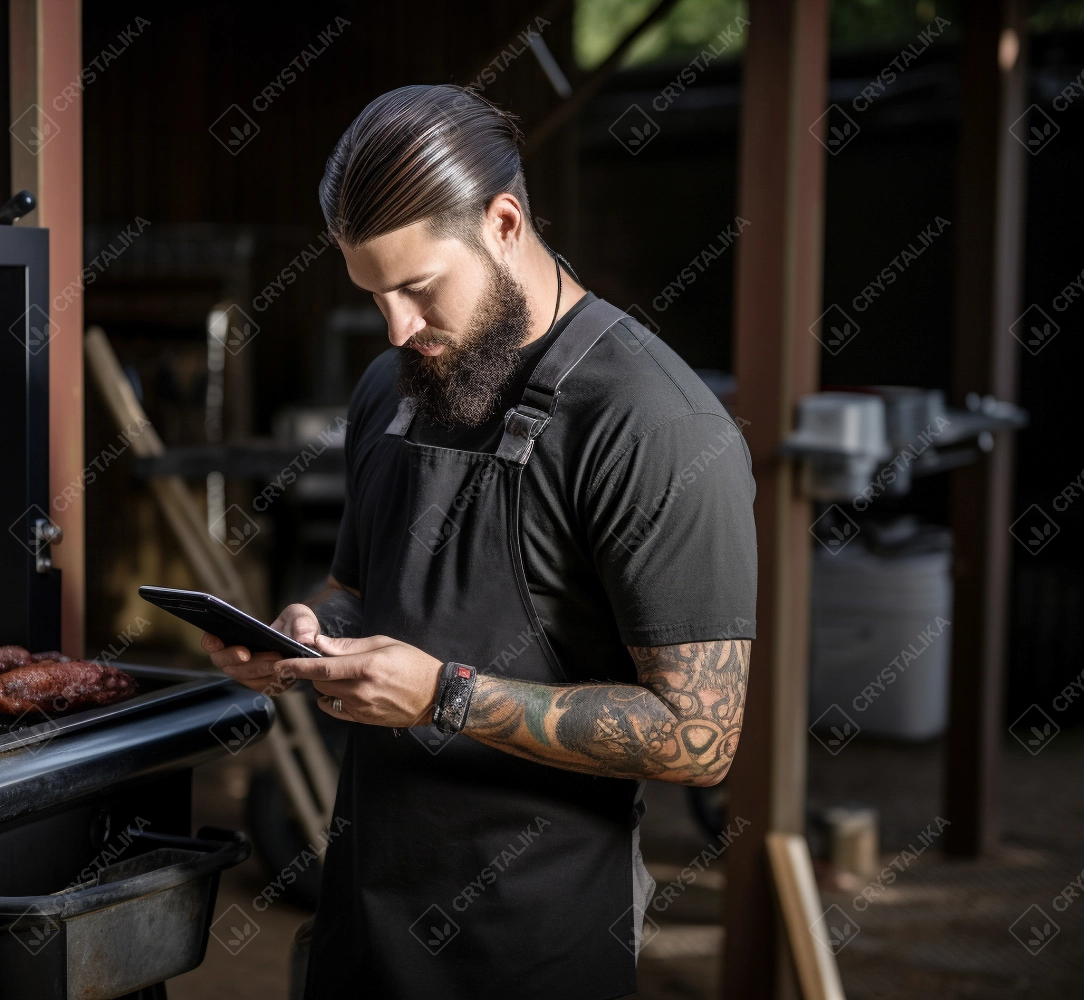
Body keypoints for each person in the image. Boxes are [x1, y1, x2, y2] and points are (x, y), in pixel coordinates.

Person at [203, 84, 756, 999]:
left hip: (531, 943)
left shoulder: (655, 425)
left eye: (417, 287)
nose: (396, 329)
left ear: (503, 221)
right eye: (373, 294)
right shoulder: (393, 386)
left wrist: (444, 697)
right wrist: (307, 632)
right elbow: (357, 586)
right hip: (362, 913)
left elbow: (698, 738)